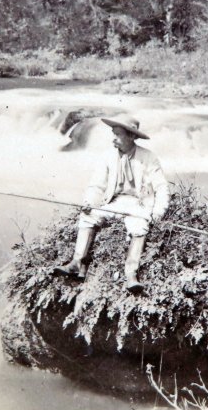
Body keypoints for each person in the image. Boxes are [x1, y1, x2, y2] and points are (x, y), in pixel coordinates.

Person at [54, 114, 170, 293]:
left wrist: (158, 211)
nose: (113, 139)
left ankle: (131, 273)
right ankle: (77, 262)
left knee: (139, 226)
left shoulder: (148, 158)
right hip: (114, 202)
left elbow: (161, 187)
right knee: (88, 217)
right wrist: (89, 202)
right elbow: (97, 185)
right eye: (113, 133)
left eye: (118, 134)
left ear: (132, 136)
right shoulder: (107, 157)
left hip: (138, 204)